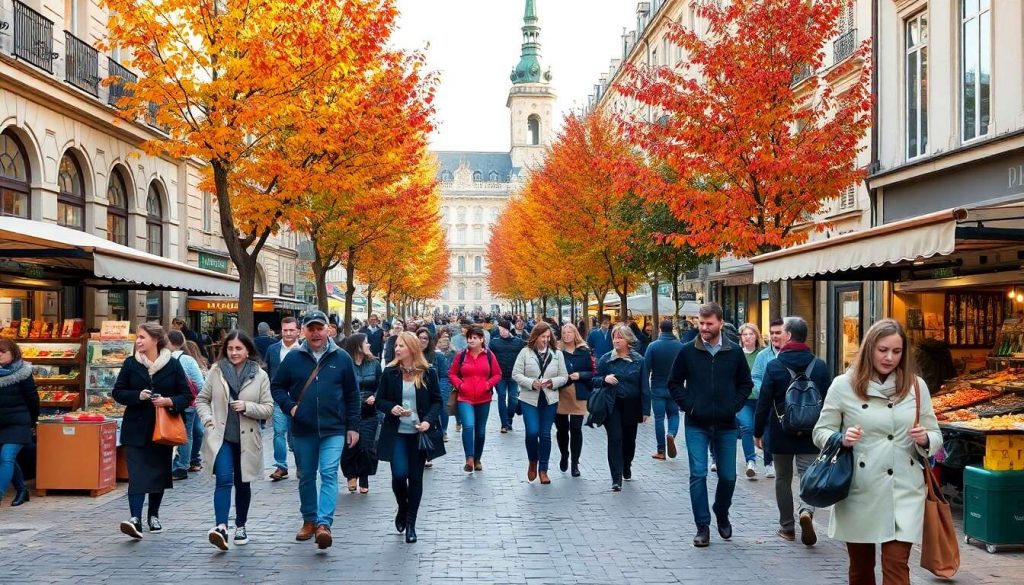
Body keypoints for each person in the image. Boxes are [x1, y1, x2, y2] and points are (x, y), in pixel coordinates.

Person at [813, 319, 942, 585]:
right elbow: (820, 431)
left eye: (896, 351)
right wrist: (841, 438)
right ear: (869, 348)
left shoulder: (916, 387)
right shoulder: (843, 385)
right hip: (860, 488)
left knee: (896, 566)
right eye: (883, 350)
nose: (890, 357)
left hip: (904, 489)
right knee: (861, 569)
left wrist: (925, 439)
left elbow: (936, 434)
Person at [270, 310, 361, 550]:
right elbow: (277, 387)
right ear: (304, 331)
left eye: (320, 328)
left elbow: (353, 395)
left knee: (329, 473)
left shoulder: (341, 358)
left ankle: (324, 524)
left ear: (328, 330)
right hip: (303, 429)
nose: (316, 333)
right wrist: (290, 407)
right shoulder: (293, 358)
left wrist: (353, 426)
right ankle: (309, 519)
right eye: (311, 328)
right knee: (307, 476)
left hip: (334, 428)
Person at [668, 302, 752, 547]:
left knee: (728, 476)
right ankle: (702, 526)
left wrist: (733, 406)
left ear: (720, 323)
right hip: (696, 423)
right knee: (698, 473)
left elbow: (745, 384)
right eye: (701, 323)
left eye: (708, 324)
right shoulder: (687, 351)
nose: (704, 328)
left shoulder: (734, 352)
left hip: (726, 423)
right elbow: (674, 383)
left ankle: (721, 511)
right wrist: (690, 406)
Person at [754, 316, 832, 546]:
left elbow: (764, 402)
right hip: (811, 432)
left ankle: (787, 527)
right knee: (809, 476)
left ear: (788, 335)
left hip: (781, 432)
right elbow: (829, 402)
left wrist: (758, 432)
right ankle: (806, 510)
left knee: (783, 479)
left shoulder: (774, 365)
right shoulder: (819, 366)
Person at [112, 323, 192, 538]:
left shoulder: (173, 365)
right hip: (135, 428)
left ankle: (153, 515)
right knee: (137, 474)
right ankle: (135, 518)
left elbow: (186, 396)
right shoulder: (130, 364)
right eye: (137, 338)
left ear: (155, 340)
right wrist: (137, 396)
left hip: (162, 428)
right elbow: (118, 392)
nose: (138, 341)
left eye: (142, 337)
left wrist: (168, 401)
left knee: (158, 473)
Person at [196, 330, 274, 550]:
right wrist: (207, 419)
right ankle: (221, 527)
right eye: (230, 348)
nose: (234, 352)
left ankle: (241, 525)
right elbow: (201, 399)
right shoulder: (216, 371)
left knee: (243, 482)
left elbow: (269, 409)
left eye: (238, 348)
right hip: (221, 437)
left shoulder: (259, 375)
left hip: (248, 438)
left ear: (247, 349)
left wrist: (247, 407)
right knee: (223, 479)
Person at [375, 331, 445, 544]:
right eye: (396, 345)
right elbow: (380, 400)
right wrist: (392, 408)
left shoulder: (427, 372)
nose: (397, 349)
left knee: (415, 478)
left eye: (402, 346)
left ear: (412, 348)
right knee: (398, 475)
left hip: (419, 433)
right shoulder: (390, 372)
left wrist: (428, 421)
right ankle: (402, 507)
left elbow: (436, 401)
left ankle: (411, 524)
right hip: (396, 432)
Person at [592, 324, 650, 491]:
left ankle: (626, 465)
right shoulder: (606, 359)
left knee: (629, 441)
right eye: (614, 337)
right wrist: (604, 379)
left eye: (620, 337)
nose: (616, 340)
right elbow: (594, 380)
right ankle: (616, 477)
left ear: (628, 340)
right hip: (612, 404)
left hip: (632, 405)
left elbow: (644, 386)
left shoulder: (639, 360)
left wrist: (646, 410)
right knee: (615, 438)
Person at [512, 322, 568, 484]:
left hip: (549, 399)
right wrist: (531, 382)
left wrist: (552, 381)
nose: (545, 340)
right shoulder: (525, 352)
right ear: (535, 337)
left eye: (548, 337)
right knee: (532, 432)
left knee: (545, 434)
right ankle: (532, 461)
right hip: (529, 398)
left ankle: (543, 469)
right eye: (542, 337)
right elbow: (516, 374)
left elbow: (564, 376)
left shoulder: (557, 354)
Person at [448, 325, 501, 473]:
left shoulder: (489, 355)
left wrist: (488, 384)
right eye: (469, 337)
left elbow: (497, 374)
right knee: (469, 426)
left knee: (480, 431)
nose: (471, 340)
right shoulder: (461, 355)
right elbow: (452, 374)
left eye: (474, 338)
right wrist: (460, 385)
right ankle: (469, 459)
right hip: (465, 397)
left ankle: (478, 459)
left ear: (481, 339)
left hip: (484, 398)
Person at [339, 333, 382, 493]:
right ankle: (351, 475)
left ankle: (364, 476)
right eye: (366, 343)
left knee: (366, 446)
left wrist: (375, 396)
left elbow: (381, 385)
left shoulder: (374, 363)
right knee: (350, 446)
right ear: (357, 346)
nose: (369, 345)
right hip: (350, 412)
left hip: (370, 412)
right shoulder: (345, 364)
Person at [0, 339, 37, 507]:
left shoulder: (23, 372)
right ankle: (22, 490)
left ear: (13, 353)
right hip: (1, 423)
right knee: (8, 459)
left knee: (7, 456)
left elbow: (32, 400)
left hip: (18, 422)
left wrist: (32, 422)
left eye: (2, 352)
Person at [746, 319, 785, 478]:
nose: (774, 336)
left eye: (778, 333)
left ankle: (781, 460)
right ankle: (769, 463)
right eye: (772, 333)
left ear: (787, 333)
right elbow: (755, 377)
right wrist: (765, 390)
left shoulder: (791, 353)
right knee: (768, 430)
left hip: (787, 402)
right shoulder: (763, 355)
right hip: (769, 401)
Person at [265, 316, 300, 481]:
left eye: (291, 330)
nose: (287, 333)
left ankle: (301, 465)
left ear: (298, 331)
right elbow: (268, 371)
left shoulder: (303, 350)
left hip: (298, 400)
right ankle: (281, 466)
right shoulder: (272, 349)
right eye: (285, 330)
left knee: (296, 436)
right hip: (279, 399)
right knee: (278, 432)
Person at [168, 330, 206, 481]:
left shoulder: (166, 359)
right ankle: (191, 461)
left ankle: (181, 466)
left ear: (170, 343)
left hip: (175, 402)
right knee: (193, 432)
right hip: (190, 403)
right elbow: (200, 384)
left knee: (186, 434)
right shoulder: (188, 360)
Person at [556, 323, 593, 478]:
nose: (566, 335)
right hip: (561, 393)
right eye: (564, 332)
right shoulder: (557, 352)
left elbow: (592, 373)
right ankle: (564, 454)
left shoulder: (584, 351)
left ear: (575, 333)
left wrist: (580, 375)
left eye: (569, 332)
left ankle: (575, 463)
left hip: (579, 393)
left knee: (576, 429)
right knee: (562, 429)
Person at [645, 319, 683, 461]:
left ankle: (661, 450)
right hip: (675, 387)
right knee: (674, 414)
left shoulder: (653, 346)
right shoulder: (680, 346)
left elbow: (646, 368)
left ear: (660, 329)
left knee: (659, 418)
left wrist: (644, 388)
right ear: (671, 329)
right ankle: (671, 434)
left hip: (657, 387)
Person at [736, 323, 764, 478]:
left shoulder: (763, 354)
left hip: (761, 399)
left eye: (750, 334)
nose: (747, 337)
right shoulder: (737, 354)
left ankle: (769, 462)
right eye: (744, 335)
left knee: (765, 430)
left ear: (756, 336)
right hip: (744, 400)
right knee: (746, 427)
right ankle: (751, 461)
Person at [490, 319, 526, 433]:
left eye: (504, 329)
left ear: (509, 329)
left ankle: (509, 418)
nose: (502, 332)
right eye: (500, 330)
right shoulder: (494, 342)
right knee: (501, 397)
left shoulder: (518, 342)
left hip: (514, 376)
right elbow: (488, 357)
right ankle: (504, 424)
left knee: (513, 399)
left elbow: (526, 353)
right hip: (500, 376)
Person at [184, 340, 209, 472]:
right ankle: (194, 459)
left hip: (195, 402)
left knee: (193, 431)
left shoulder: (193, 364)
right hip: (197, 402)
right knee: (196, 431)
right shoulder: (199, 363)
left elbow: (202, 385)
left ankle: (191, 459)